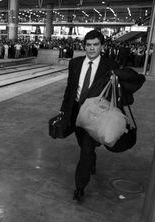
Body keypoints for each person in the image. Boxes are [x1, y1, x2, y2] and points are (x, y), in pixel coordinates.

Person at [59, 30, 119, 203]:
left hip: (95, 114)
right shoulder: (75, 63)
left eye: (96, 44)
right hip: (77, 112)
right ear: (84, 46)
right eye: (89, 45)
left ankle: (80, 187)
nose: (92, 48)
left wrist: (117, 83)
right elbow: (70, 90)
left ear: (102, 46)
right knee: (82, 145)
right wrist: (64, 111)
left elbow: (117, 93)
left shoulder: (110, 65)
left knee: (85, 150)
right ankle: (92, 159)